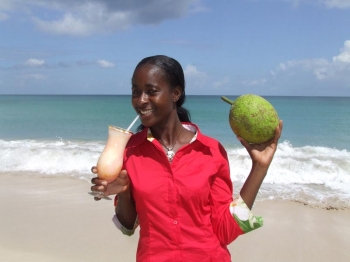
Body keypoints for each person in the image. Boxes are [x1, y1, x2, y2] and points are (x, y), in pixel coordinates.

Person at [91, 55, 283, 262]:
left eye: (151, 91)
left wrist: (259, 167)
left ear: (176, 93)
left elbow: (225, 231)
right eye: (136, 92)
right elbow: (128, 226)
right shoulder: (129, 151)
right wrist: (124, 192)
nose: (141, 100)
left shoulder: (211, 151)